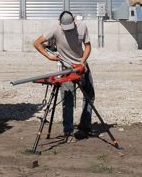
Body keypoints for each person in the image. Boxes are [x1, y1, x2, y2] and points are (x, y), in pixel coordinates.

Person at [32, 10, 95, 142]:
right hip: (66, 69)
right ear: (60, 23)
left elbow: (88, 46)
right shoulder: (55, 29)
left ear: (74, 21)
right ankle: (68, 131)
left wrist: (82, 62)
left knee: (89, 96)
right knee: (67, 101)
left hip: (82, 67)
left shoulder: (82, 27)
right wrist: (49, 57)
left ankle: (84, 127)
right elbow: (37, 43)